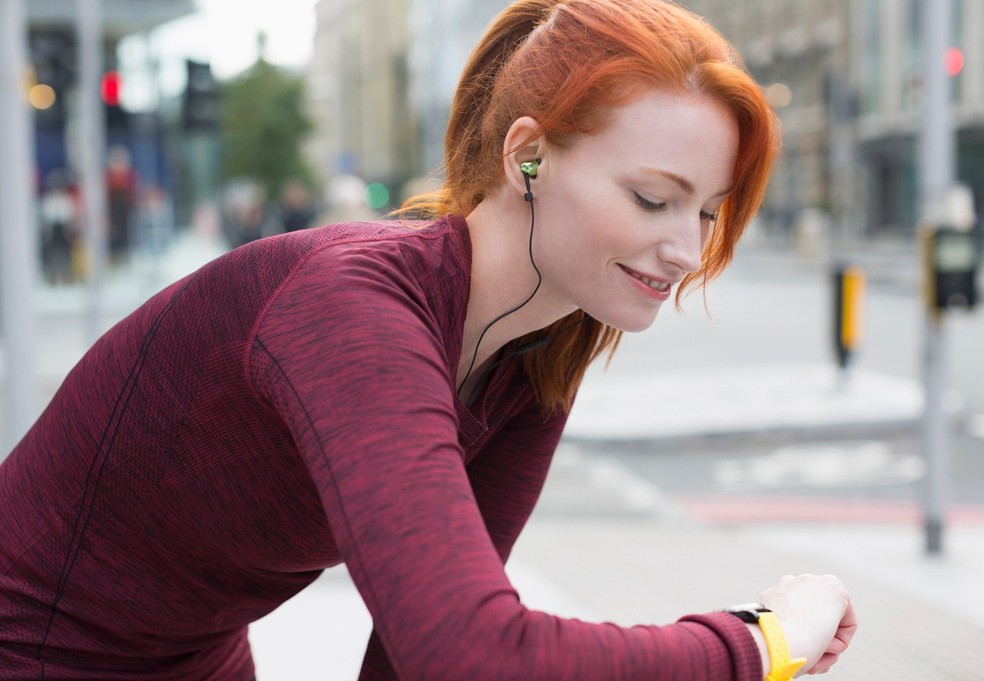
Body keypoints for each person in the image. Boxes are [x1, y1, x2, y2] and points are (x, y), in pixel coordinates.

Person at [0, 1, 857, 679]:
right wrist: (762, 643)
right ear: (528, 156)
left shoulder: (537, 356)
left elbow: (421, 661)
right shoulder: (354, 308)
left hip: (199, 655)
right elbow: (472, 653)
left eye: (706, 210)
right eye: (651, 198)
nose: (687, 248)